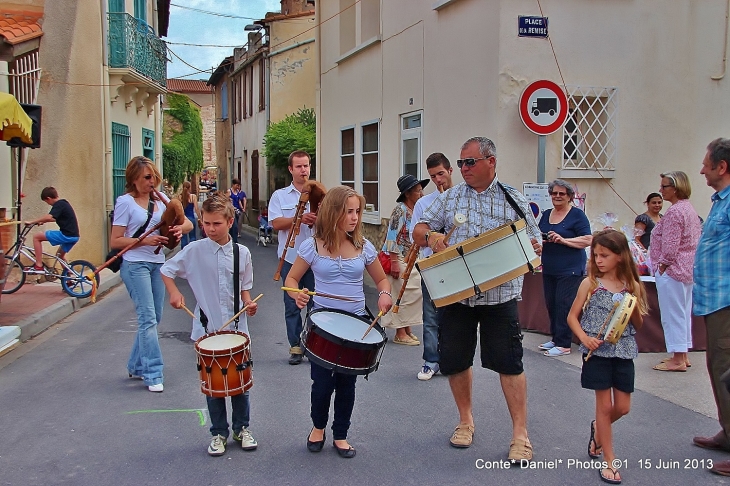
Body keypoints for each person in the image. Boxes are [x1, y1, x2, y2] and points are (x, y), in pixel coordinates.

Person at [413, 137, 542, 463]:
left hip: (501, 297)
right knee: (455, 360)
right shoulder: (450, 198)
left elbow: (535, 241)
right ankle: (465, 421)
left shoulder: (513, 199)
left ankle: (520, 435)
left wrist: (535, 246)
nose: (463, 169)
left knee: (510, 364)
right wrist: (431, 236)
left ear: (491, 161)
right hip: (458, 298)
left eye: (469, 162)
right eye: (461, 163)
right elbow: (419, 230)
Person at [284, 185, 392, 459]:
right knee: (321, 384)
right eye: (349, 212)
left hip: (356, 323)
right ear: (333, 213)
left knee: (347, 384)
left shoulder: (363, 246)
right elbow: (292, 280)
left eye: (357, 211)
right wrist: (298, 295)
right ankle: (318, 428)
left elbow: (381, 280)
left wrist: (384, 295)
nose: (355, 218)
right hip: (324, 325)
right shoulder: (312, 246)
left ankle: (341, 434)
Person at [161, 193, 259, 456]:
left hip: (237, 329)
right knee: (214, 385)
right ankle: (218, 433)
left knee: (239, 383)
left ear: (229, 222)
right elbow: (166, 271)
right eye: (206, 223)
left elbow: (245, 289)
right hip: (207, 329)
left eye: (217, 223)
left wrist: (248, 303)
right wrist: (174, 292)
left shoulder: (242, 253)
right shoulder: (193, 251)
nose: (211, 229)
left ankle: (242, 428)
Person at [566, 229, 648, 485]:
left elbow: (639, 324)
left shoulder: (632, 285)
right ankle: (610, 461)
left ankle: (598, 431)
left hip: (623, 351)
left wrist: (631, 304)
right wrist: (584, 337)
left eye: (605, 255)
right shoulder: (590, 283)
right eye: (595, 255)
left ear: (620, 257)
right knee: (604, 407)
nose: (598, 260)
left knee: (622, 407)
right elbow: (571, 317)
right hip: (597, 352)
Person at [110, 156, 193, 393]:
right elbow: (115, 240)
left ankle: (136, 364)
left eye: (154, 176)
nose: (152, 181)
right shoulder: (125, 202)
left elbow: (186, 223)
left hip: (158, 263)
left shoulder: (162, 199)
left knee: (155, 317)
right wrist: (143, 240)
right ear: (134, 180)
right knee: (147, 318)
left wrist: (179, 227)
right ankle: (153, 372)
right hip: (135, 265)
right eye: (147, 177)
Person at [692, 138, 730, 477]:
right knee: (717, 367)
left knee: (727, 371)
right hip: (714, 301)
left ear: (722, 166)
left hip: (727, 300)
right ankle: (727, 431)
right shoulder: (721, 201)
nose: (702, 169)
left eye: (707, 163)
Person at [269, 150, 317, 365]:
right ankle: (296, 346)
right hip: (291, 258)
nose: (303, 170)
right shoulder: (280, 196)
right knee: (292, 304)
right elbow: (276, 223)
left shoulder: (319, 194)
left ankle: (316, 345)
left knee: (317, 304)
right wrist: (298, 218)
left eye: (306, 166)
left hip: (316, 259)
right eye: (298, 166)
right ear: (290, 169)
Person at [408, 152, 454, 379]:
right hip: (432, 264)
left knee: (455, 316)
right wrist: (432, 240)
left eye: (441, 174)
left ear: (450, 171)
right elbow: (413, 233)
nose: (438, 180)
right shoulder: (424, 203)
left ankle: (451, 360)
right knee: (431, 315)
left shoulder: (461, 198)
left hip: (457, 264)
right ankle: (430, 360)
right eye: (433, 176)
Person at [650, 171, 701, 372]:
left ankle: (678, 358)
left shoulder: (674, 212)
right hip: (686, 269)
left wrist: (662, 265)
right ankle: (683, 354)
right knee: (683, 312)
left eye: (664, 187)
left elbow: (670, 245)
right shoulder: (688, 209)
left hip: (673, 270)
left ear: (676, 188)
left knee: (673, 315)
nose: (661, 191)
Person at [538, 179, 592, 357]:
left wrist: (563, 240)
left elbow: (588, 239)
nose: (557, 196)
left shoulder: (577, 215)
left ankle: (564, 344)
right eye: (554, 193)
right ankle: (555, 338)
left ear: (569, 197)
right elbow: (538, 235)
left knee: (564, 305)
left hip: (570, 269)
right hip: (549, 267)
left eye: (562, 194)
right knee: (551, 303)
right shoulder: (546, 214)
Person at [381, 174, 427, 345]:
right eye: (418, 191)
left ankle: (407, 328)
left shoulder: (416, 209)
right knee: (402, 293)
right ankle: (400, 332)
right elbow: (391, 235)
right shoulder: (399, 210)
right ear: (408, 194)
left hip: (411, 255)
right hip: (398, 255)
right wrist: (393, 261)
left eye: (421, 191)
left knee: (413, 291)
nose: (421, 194)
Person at [25, 187, 79, 270]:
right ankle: (69, 278)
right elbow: (53, 218)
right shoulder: (64, 204)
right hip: (74, 236)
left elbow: (48, 216)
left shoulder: (58, 204)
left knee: (37, 237)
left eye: (46, 202)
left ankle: (38, 265)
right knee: (60, 256)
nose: (48, 204)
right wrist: (42, 221)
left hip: (66, 235)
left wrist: (31, 221)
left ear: (48, 198)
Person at [180, 181, 202, 249]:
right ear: (190, 188)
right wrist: (200, 218)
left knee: (183, 238)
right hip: (191, 218)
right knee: (192, 237)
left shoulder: (180, 197)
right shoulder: (193, 197)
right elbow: (196, 209)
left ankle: (183, 253)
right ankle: (192, 252)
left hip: (183, 220)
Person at [228, 179, 245, 244]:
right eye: (237, 185)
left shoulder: (237, 192)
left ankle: (232, 239)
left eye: (239, 185)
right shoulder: (229, 191)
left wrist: (242, 208)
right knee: (234, 226)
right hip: (231, 211)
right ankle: (234, 240)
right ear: (233, 184)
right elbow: (225, 200)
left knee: (236, 226)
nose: (238, 187)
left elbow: (239, 201)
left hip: (237, 211)